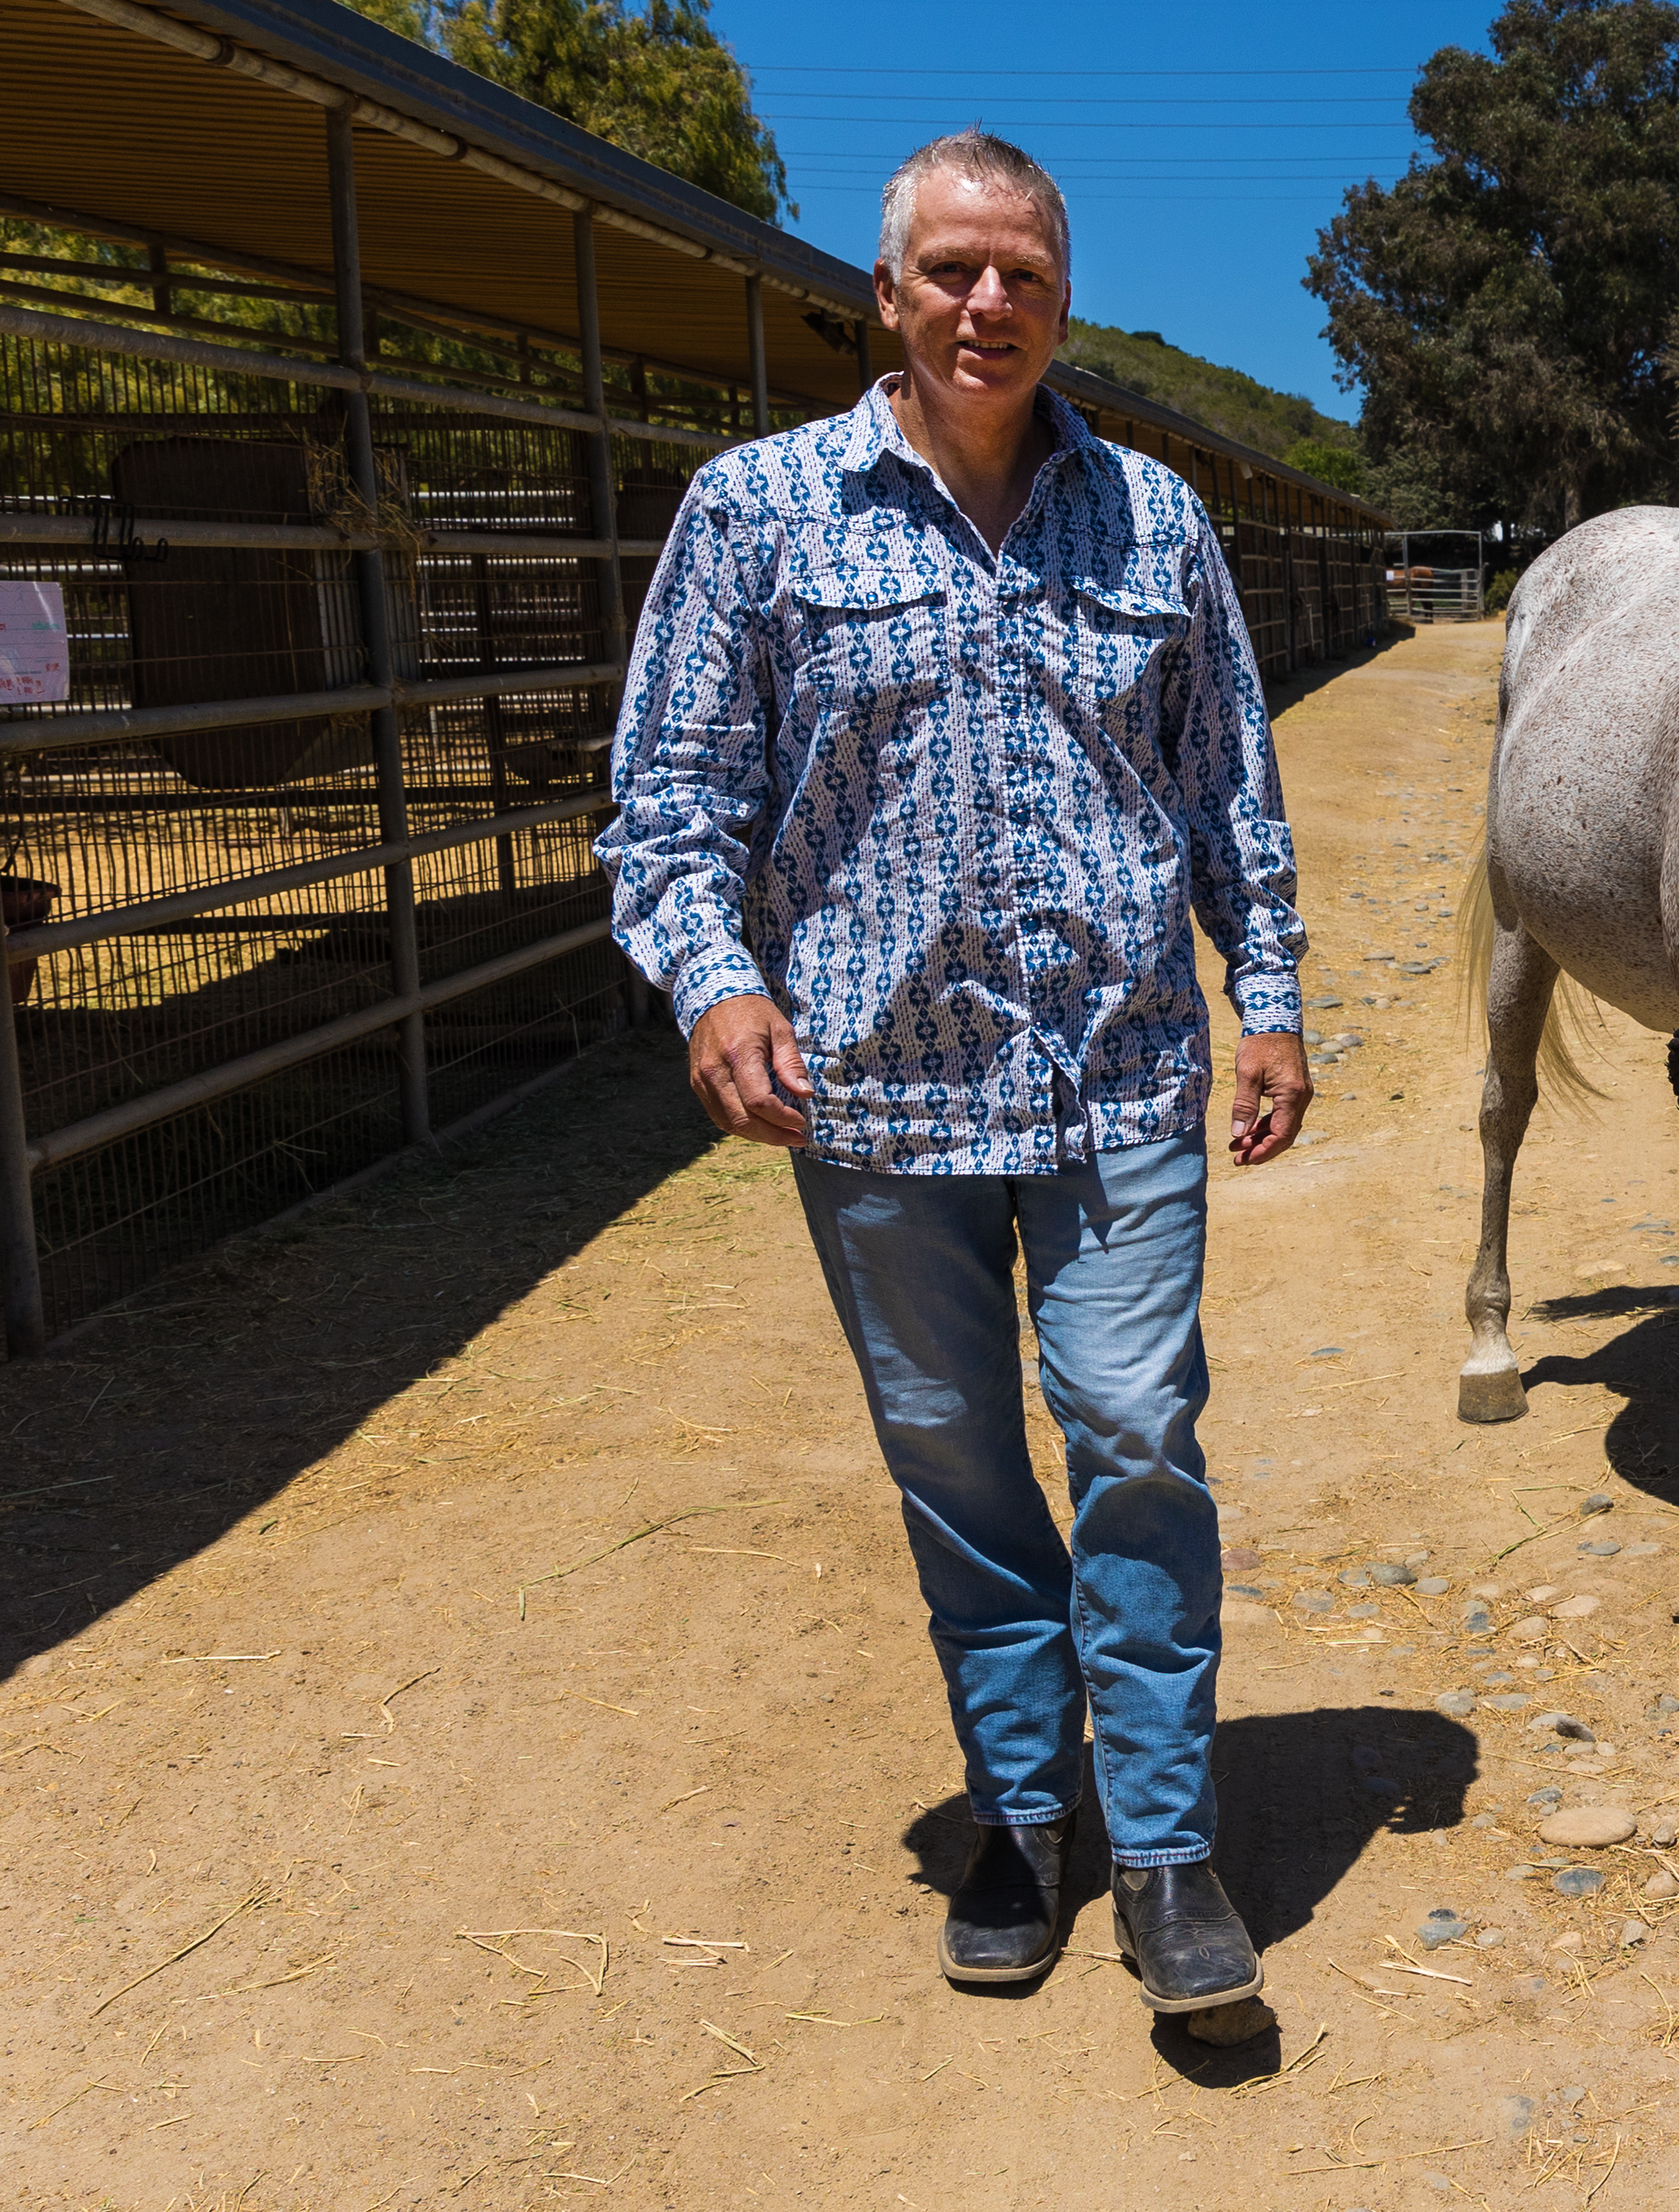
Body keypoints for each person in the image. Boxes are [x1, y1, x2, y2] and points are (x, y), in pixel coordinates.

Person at [597, 130, 1310, 2010]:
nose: (987, 303)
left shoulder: (1155, 520)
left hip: (1117, 1078)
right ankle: (1021, 1809)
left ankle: (1160, 1842)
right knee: (960, 1469)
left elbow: (1227, 778)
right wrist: (710, 986)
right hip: (879, 1097)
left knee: (1136, 1442)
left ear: (1063, 300)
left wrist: (1279, 990)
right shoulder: (756, 513)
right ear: (888, 294)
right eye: (952, 272)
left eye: (1022, 274)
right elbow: (668, 807)